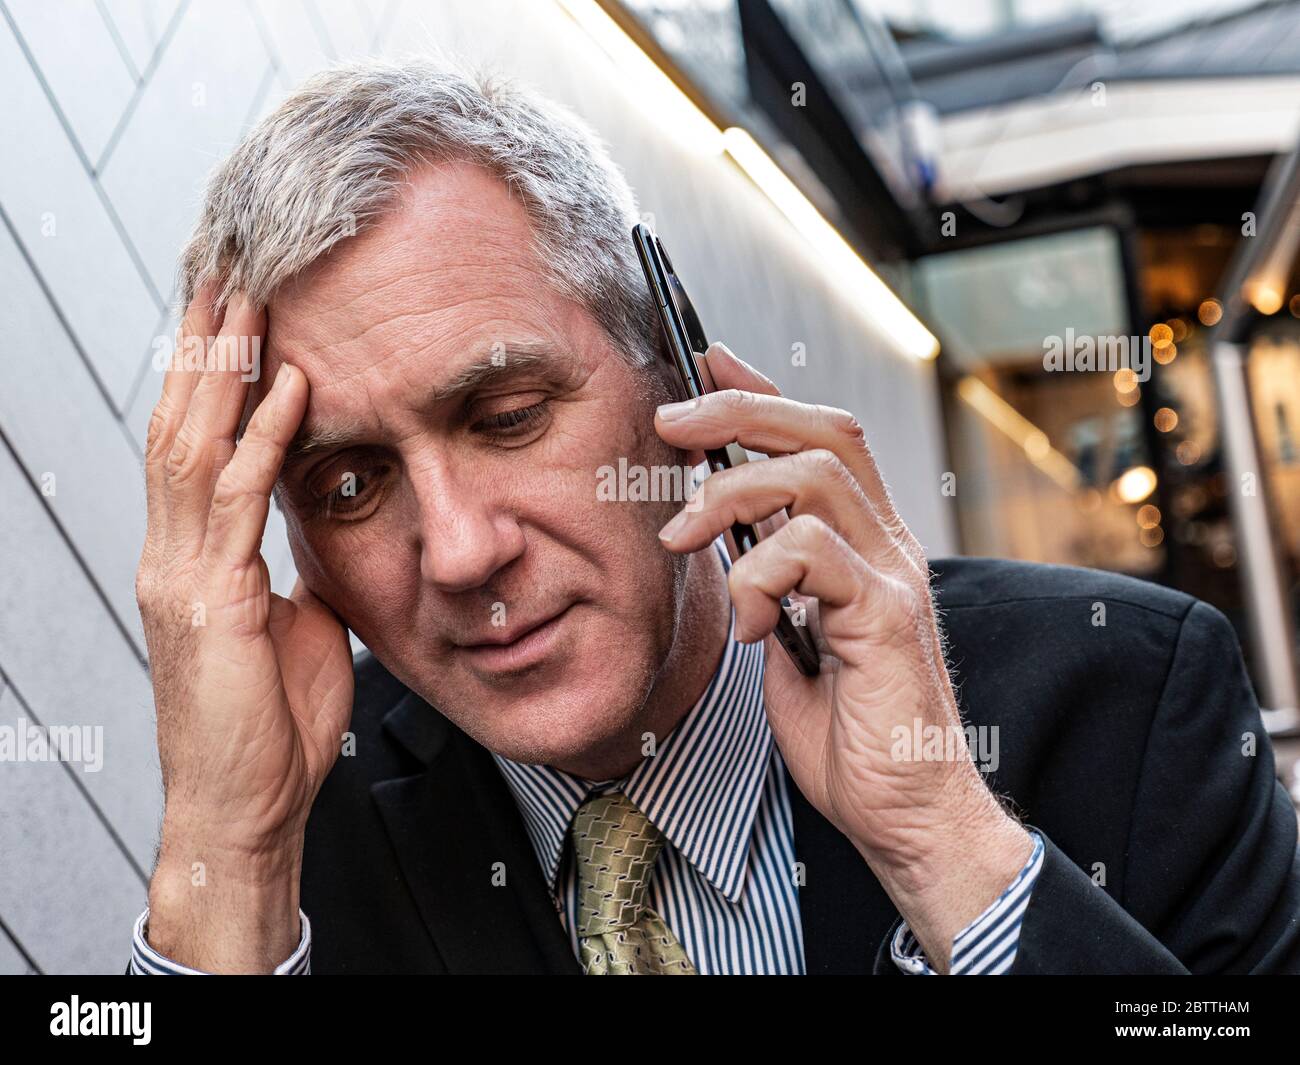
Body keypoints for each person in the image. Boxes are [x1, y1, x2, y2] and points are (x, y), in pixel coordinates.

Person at [127, 58, 1300, 975]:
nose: (461, 550)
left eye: (508, 416)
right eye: (348, 487)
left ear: (674, 368)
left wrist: (947, 848)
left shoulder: (1128, 698)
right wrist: (224, 865)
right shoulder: (292, 837)